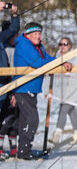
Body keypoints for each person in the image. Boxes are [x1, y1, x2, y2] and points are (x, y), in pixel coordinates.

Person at [12, 22, 73, 159]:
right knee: (31, 119)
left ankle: (23, 150)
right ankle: (24, 152)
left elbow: (46, 59)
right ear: (27, 35)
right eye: (34, 34)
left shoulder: (38, 46)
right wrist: (57, 63)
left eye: (39, 34)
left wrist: (62, 62)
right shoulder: (23, 45)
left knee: (26, 119)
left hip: (32, 87)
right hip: (23, 87)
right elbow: (37, 63)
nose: (37, 36)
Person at [0, 2, 21, 158]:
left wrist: (14, 15)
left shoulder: (2, 38)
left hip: (2, 80)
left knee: (5, 113)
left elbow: (13, 30)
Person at [54, 37, 77, 136]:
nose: (62, 46)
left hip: (73, 89)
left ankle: (57, 133)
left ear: (70, 45)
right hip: (61, 89)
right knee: (71, 111)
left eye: (65, 44)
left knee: (63, 109)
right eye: (60, 44)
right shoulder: (57, 56)